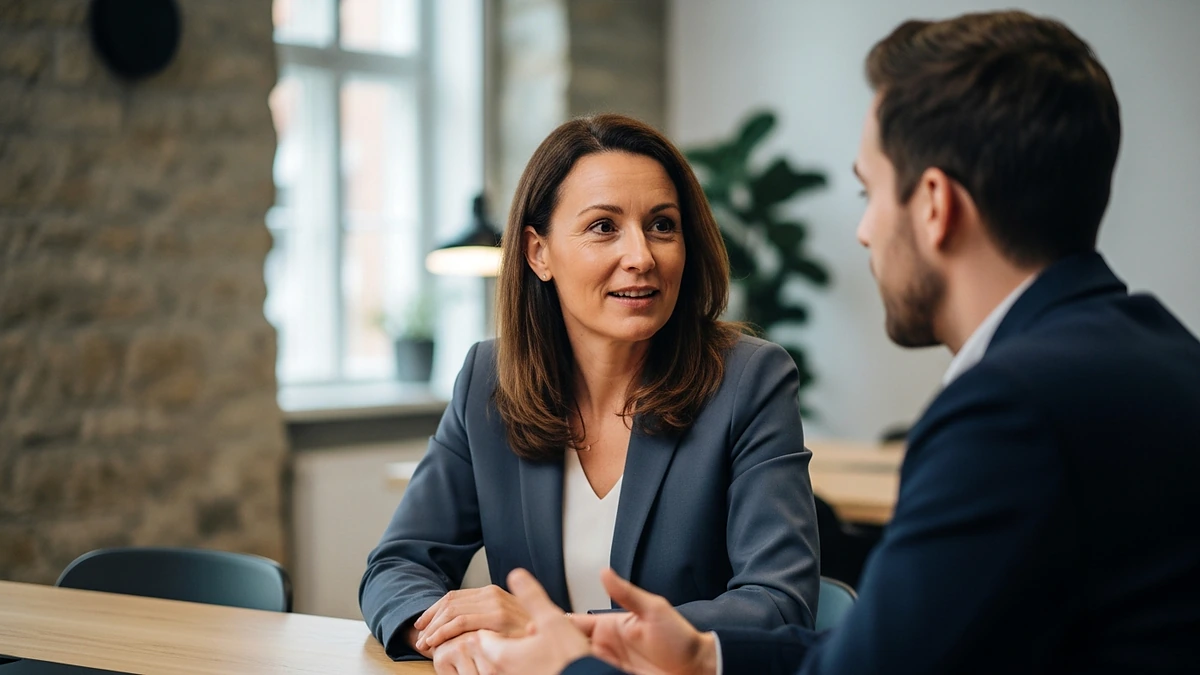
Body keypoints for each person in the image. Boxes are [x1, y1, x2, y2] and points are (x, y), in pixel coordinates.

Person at [471, 10, 1200, 675]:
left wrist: (572, 664)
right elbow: (895, 645)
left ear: (936, 206)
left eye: (869, 193)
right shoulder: (1165, 356)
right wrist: (707, 654)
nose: (864, 230)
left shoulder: (1010, 409)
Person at [359, 114, 821, 673]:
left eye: (662, 226)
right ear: (538, 253)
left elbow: (778, 604)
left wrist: (553, 635)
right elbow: (399, 564)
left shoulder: (749, 379)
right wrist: (442, 631)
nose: (642, 256)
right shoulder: (490, 377)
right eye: (604, 226)